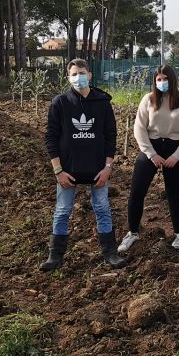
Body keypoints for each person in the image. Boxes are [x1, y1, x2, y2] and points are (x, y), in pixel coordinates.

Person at [40, 58, 126, 271]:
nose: (78, 77)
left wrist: (108, 168)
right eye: (73, 74)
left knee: (102, 208)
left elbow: (110, 136)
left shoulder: (103, 103)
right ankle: (55, 255)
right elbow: (51, 137)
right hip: (68, 170)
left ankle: (110, 253)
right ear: (68, 78)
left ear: (90, 75)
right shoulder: (60, 103)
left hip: (97, 170)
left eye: (82, 73)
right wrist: (58, 171)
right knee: (62, 211)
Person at [118, 64, 179, 252]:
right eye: (158, 79)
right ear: (154, 81)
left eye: (165, 78)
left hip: (174, 150)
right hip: (151, 148)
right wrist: (150, 153)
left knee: (174, 194)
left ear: (173, 79)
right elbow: (139, 128)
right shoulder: (148, 100)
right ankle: (133, 232)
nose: (162, 82)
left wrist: (176, 156)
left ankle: (178, 235)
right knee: (137, 192)